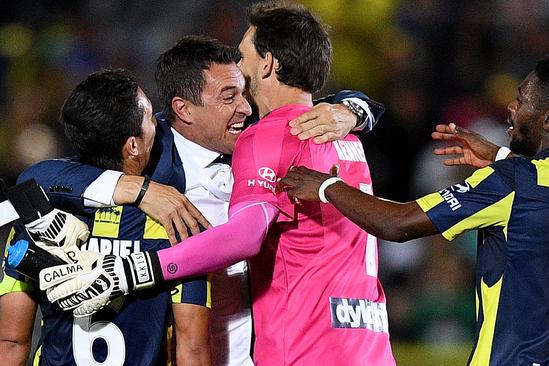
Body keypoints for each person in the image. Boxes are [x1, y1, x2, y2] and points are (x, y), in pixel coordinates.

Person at [43, 3, 396, 365]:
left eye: (244, 69)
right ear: (184, 110)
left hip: (293, 347)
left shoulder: (271, 134)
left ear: (268, 63)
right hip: (357, 344)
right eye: (229, 97)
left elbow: (246, 234)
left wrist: (356, 109)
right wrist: (141, 189)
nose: (244, 107)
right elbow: (42, 177)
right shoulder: (150, 149)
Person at [277, 52, 549, 365]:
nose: (512, 107)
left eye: (522, 99)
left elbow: (398, 223)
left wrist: (326, 186)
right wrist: (500, 157)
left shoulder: (515, 181)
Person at [0, 68, 212, 365]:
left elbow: (10, 341)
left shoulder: (38, 219)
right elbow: (192, 348)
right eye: (151, 116)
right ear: (133, 145)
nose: (160, 125)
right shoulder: (173, 221)